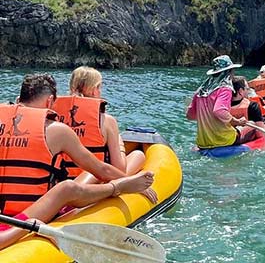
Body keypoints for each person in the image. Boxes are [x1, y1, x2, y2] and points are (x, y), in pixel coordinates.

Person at [0, 74, 156, 249]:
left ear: (18, 99)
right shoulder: (56, 130)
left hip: (8, 216)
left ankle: (122, 184)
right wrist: (125, 181)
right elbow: (102, 170)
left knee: (74, 182)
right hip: (28, 216)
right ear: (50, 101)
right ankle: (118, 187)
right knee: (67, 187)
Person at [51, 66, 146, 181]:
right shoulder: (107, 121)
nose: (100, 91)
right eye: (99, 86)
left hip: (60, 181)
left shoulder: (52, 118)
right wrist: (120, 143)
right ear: (93, 90)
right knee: (138, 155)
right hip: (94, 181)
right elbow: (120, 169)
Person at [185, 55, 256, 149]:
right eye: (232, 71)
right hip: (224, 140)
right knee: (252, 125)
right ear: (229, 72)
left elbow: (190, 115)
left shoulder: (200, 92)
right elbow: (219, 111)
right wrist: (237, 121)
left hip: (203, 142)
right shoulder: (225, 89)